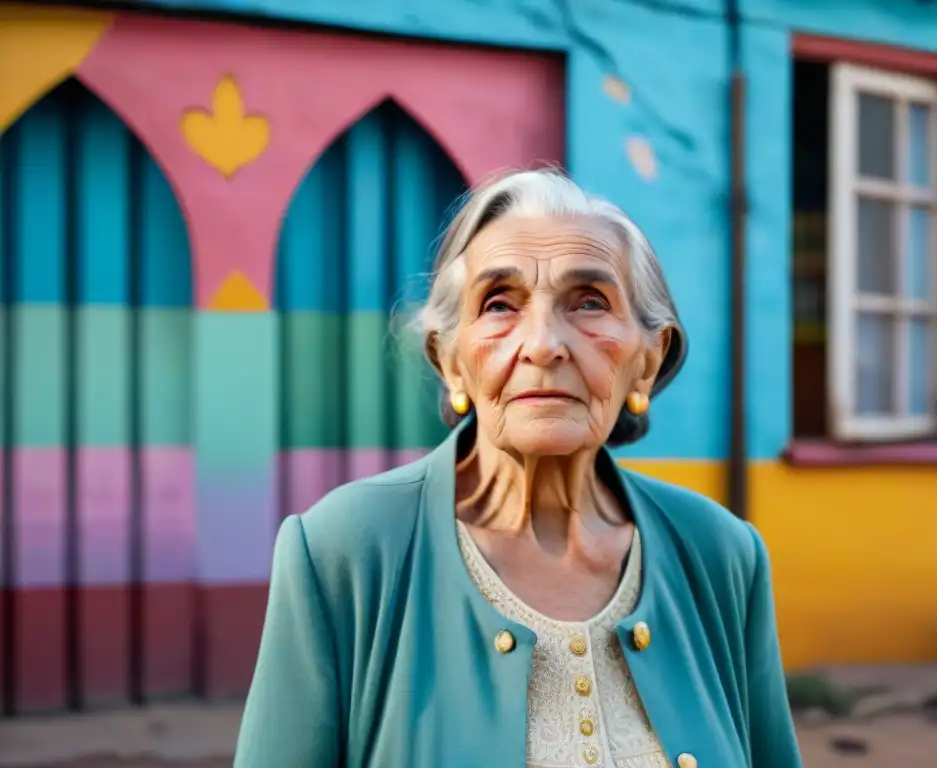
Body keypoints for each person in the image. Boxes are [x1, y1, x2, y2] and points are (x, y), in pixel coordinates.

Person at [234, 169, 801, 768]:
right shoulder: (345, 549)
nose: (543, 344)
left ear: (648, 360)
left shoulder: (720, 553)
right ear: (450, 362)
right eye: (499, 304)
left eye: (589, 302)